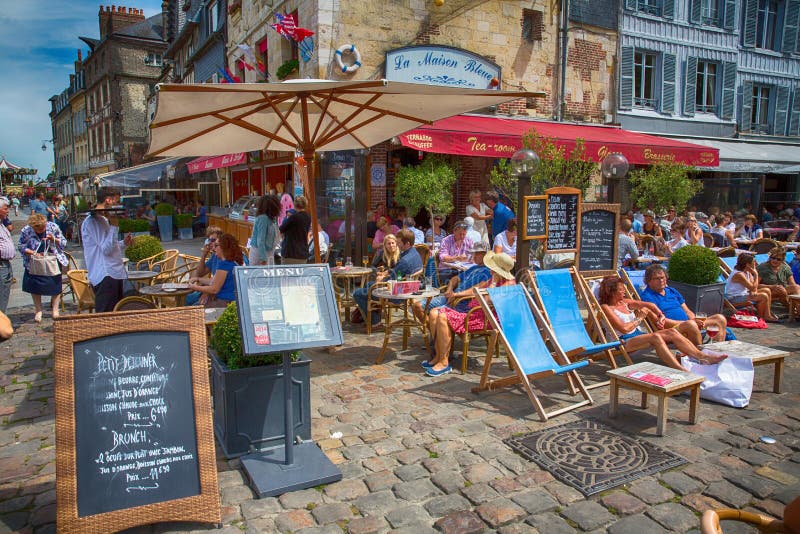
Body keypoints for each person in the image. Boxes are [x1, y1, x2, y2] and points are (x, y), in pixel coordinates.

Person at [598, 275, 727, 371]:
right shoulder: (606, 308)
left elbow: (650, 305)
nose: (624, 291)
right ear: (612, 291)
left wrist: (660, 316)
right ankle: (681, 370)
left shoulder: (624, 302)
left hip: (638, 335)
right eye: (621, 290)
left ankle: (702, 356)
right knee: (656, 336)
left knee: (671, 331)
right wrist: (640, 318)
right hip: (624, 341)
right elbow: (624, 329)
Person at [425, 251, 516, 376]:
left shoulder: (507, 284)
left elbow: (486, 301)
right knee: (434, 313)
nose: (490, 269)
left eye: (493, 267)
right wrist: (456, 294)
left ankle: (444, 362)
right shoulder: (493, 279)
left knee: (441, 315)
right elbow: (476, 289)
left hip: (485, 319)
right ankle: (439, 356)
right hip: (474, 313)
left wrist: (493, 283)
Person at [639, 264, 728, 343]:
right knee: (691, 325)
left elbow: (687, 311)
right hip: (670, 330)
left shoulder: (672, 291)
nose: (661, 280)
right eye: (656, 278)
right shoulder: (647, 297)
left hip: (689, 324)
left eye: (662, 277)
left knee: (720, 319)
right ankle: (700, 355)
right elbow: (661, 322)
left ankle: (717, 351)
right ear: (648, 281)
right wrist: (688, 323)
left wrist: (696, 321)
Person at [352, 229, 422, 326]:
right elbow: (399, 273)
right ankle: (373, 316)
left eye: (399, 242)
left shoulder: (405, 260)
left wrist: (381, 279)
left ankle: (375, 322)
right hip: (408, 289)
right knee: (368, 285)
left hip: (398, 294)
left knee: (357, 293)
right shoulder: (415, 254)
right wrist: (387, 272)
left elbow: (390, 281)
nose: (397, 245)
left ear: (407, 243)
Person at [81, 187, 132, 312]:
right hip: (106, 275)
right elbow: (105, 250)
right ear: (108, 200)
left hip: (114, 272)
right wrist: (114, 227)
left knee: (117, 312)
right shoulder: (92, 221)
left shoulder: (103, 219)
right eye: (116, 201)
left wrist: (123, 243)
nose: (117, 205)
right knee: (106, 315)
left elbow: (109, 246)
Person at [412, 241, 491, 322]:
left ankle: (436, 333)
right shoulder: (474, 268)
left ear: (485, 255)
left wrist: (456, 295)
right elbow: (455, 278)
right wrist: (449, 289)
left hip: (462, 302)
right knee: (417, 306)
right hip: (451, 297)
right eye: (474, 253)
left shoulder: (488, 272)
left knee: (434, 314)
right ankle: (433, 331)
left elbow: (476, 290)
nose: (474, 256)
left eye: (477, 254)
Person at [18, 213, 68, 322]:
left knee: (55, 284)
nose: (41, 230)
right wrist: (32, 253)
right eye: (39, 229)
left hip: (52, 260)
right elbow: (21, 246)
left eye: (43, 227)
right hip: (34, 262)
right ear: (33, 227)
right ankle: (38, 310)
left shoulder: (53, 227)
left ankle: (55, 310)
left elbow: (64, 242)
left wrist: (53, 239)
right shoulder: (26, 230)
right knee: (35, 285)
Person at [188, 233, 244, 307]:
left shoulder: (225, 264)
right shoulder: (229, 262)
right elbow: (214, 281)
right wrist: (198, 279)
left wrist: (194, 287)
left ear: (224, 247)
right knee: (194, 305)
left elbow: (214, 289)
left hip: (226, 302)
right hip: (229, 301)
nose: (214, 248)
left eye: (216, 245)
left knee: (194, 309)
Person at [725, 253, 779, 322]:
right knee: (763, 296)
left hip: (743, 295)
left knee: (767, 290)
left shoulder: (747, 272)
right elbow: (753, 287)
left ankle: (767, 315)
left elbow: (754, 287)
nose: (755, 263)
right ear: (747, 264)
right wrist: (756, 274)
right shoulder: (739, 274)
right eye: (754, 262)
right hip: (734, 298)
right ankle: (762, 317)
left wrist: (754, 292)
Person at [186, 227, 223, 306]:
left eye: (213, 240)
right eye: (209, 240)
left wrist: (205, 291)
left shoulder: (224, 259)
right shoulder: (215, 256)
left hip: (219, 296)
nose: (210, 243)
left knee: (194, 306)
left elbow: (217, 287)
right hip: (212, 291)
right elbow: (200, 273)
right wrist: (204, 254)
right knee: (188, 298)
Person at [438, 220, 473, 285]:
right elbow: (443, 258)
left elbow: (473, 254)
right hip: (447, 269)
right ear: (454, 232)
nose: (462, 236)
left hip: (463, 269)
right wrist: (457, 258)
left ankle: (461, 292)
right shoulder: (446, 240)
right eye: (460, 234)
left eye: (464, 234)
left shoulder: (468, 240)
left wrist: (472, 258)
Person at [279, 195, 311, 264]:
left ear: (295, 205)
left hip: (290, 252)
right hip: (303, 253)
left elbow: (281, 229)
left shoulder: (293, 217)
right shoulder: (308, 217)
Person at [249, 195, 280, 266]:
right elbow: (260, 240)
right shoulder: (263, 218)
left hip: (268, 252)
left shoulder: (270, 219)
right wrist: (263, 258)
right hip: (260, 254)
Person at [0, 197, 16, 314]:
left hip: (5, 264)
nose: (7, 211)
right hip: (1, 264)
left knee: (4, 293)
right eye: (5, 209)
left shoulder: (2, 224)